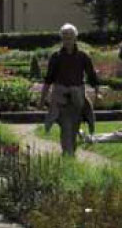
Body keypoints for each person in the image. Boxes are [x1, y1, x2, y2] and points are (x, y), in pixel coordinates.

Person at [40, 23, 99, 156]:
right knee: (66, 127)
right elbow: (49, 79)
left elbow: (92, 75)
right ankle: (68, 153)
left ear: (75, 38)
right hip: (61, 99)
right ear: (62, 38)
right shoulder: (56, 57)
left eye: (70, 37)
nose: (67, 40)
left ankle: (70, 153)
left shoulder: (83, 56)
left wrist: (97, 92)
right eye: (65, 37)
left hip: (77, 98)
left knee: (74, 127)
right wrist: (42, 99)